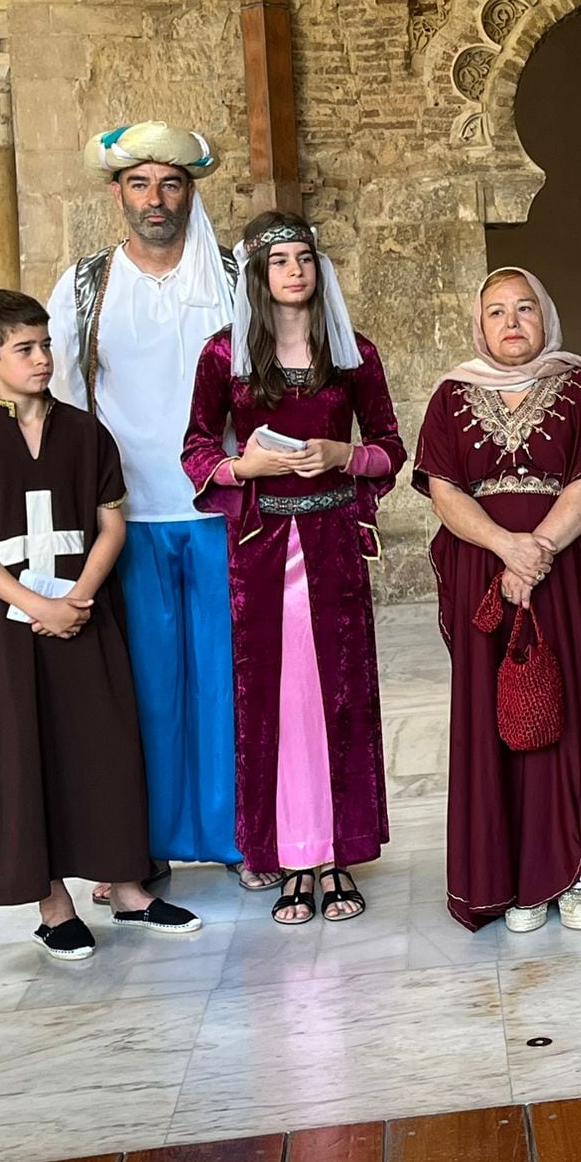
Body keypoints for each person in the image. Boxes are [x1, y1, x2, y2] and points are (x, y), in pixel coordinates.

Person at [0, 291, 201, 958]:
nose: (42, 358)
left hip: (83, 615)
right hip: (5, 633)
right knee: (20, 752)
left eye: (46, 345)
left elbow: (109, 523)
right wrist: (35, 603)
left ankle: (128, 888)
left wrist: (77, 597)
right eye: (24, 349)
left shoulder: (83, 433)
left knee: (103, 744)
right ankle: (52, 904)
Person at [182, 213, 406, 925]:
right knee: (275, 701)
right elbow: (193, 447)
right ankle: (288, 857)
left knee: (336, 695)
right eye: (279, 261)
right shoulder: (224, 357)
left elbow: (391, 447)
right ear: (259, 274)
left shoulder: (354, 355)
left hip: (335, 542)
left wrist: (344, 456)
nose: (295, 271)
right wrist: (240, 464)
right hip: (260, 549)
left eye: (304, 258)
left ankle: (337, 854)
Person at [47, 123, 243, 890]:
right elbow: (56, 394)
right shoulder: (86, 284)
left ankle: (238, 838)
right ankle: (142, 845)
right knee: (143, 690)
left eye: (170, 184)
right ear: (116, 194)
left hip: (224, 508)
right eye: (139, 184)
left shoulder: (232, 275)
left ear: (191, 192)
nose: (155, 200)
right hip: (125, 515)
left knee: (228, 681)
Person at [414, 268, 581, 933]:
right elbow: (444, 492)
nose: (512, 322)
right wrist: (508, 550)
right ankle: (505, 883)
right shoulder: (452, 395)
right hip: (482, 573)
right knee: (492, 724)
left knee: (561, 722)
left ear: (547, 318)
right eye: (497, 311)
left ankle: (563, 878)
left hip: (562, 574)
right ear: (478, 325)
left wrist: (536, 551)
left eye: (526, 308)